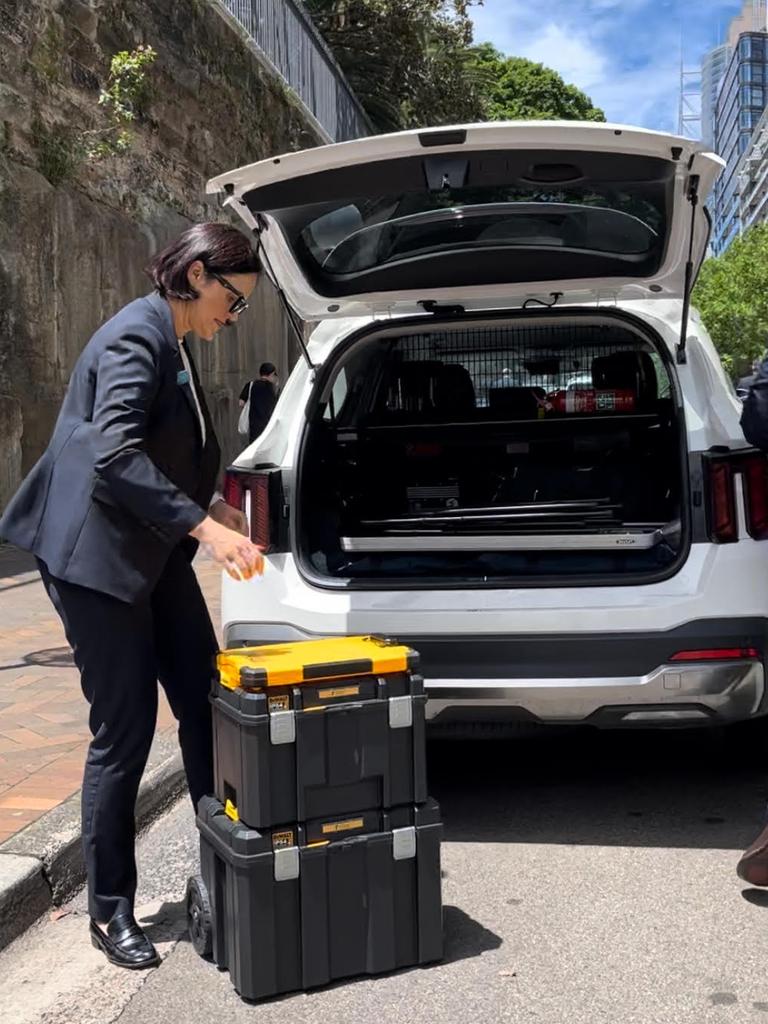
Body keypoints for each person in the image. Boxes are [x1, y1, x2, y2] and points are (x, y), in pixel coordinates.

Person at [0, 222, 264, 969]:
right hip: (96, 562)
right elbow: (113, 449)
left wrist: (207, 505)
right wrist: (205, 534)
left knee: (205, 700)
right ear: (201, 273)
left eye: (242, 309)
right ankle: (109, 908)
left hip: (155, 550)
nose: (233, 318)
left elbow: (162, 450)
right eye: (233, 301)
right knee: (125, 732)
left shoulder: (175, 341)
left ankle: (225, 860)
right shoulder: (135, 336)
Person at [239, 362, 279, 443]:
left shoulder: (250, 385)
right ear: (271, 374)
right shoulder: (272, 389)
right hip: (269, 427)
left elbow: (241, 403)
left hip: (254, 428)